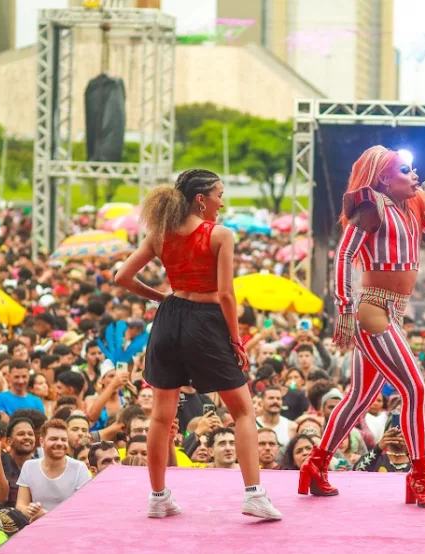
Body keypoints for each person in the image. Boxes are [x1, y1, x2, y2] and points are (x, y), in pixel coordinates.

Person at [115, 168, 281, 520]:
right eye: (219, 195)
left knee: (161, 416)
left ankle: (158, 497)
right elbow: (225, 294)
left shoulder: (160, 234)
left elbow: (123, 277)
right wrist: (237, 339)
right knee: (243, 411)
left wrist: (162, 297)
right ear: (201, 199)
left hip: (169, 319)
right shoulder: (219, 235)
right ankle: (254, 494)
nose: (222, 203)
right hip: (205, 323)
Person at [301, 145, 425, 509]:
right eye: (405, 170)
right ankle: (420, 477)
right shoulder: (372, 205)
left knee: (359, 396)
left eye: (414, 169)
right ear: (384, 178)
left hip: (394, 311)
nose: (415, 175)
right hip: (372, 309)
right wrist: (343, 305)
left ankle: (316, 464)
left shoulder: (417, 203)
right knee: (416, 388)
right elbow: (343, 253)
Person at [15, 419, 89, 518]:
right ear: (42, 442)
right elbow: (20, 505)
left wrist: (48, 516)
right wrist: (29, 510)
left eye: (63, 440)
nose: (59, 443)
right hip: (37, 527)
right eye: (53, 439)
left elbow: (84, 508)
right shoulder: (29, 466)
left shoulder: (79, 468)